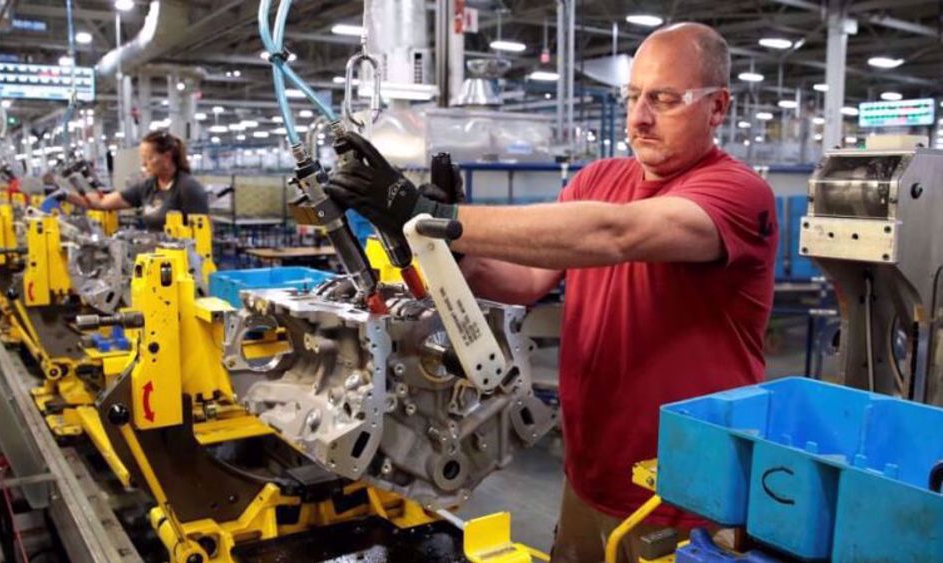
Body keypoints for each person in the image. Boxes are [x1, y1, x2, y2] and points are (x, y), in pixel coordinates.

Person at [326, 22, 777, 563]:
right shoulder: (595, 179)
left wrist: (438, 216)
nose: (639, 117)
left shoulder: (738, 193)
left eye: (664, 99)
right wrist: (448, 247)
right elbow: (525, 283)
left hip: (688, 498)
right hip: (591, 476)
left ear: (718, 107)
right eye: (633, 96)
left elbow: (618, 234)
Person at [67, 130, 209, 231]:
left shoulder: (188, 188)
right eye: (143, 158)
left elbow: (204, 235)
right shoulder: (148, 186)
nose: (144, 164)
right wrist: (66, 195)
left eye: (149, 158)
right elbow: (103, 202)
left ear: (167, 157)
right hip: (156, 260)